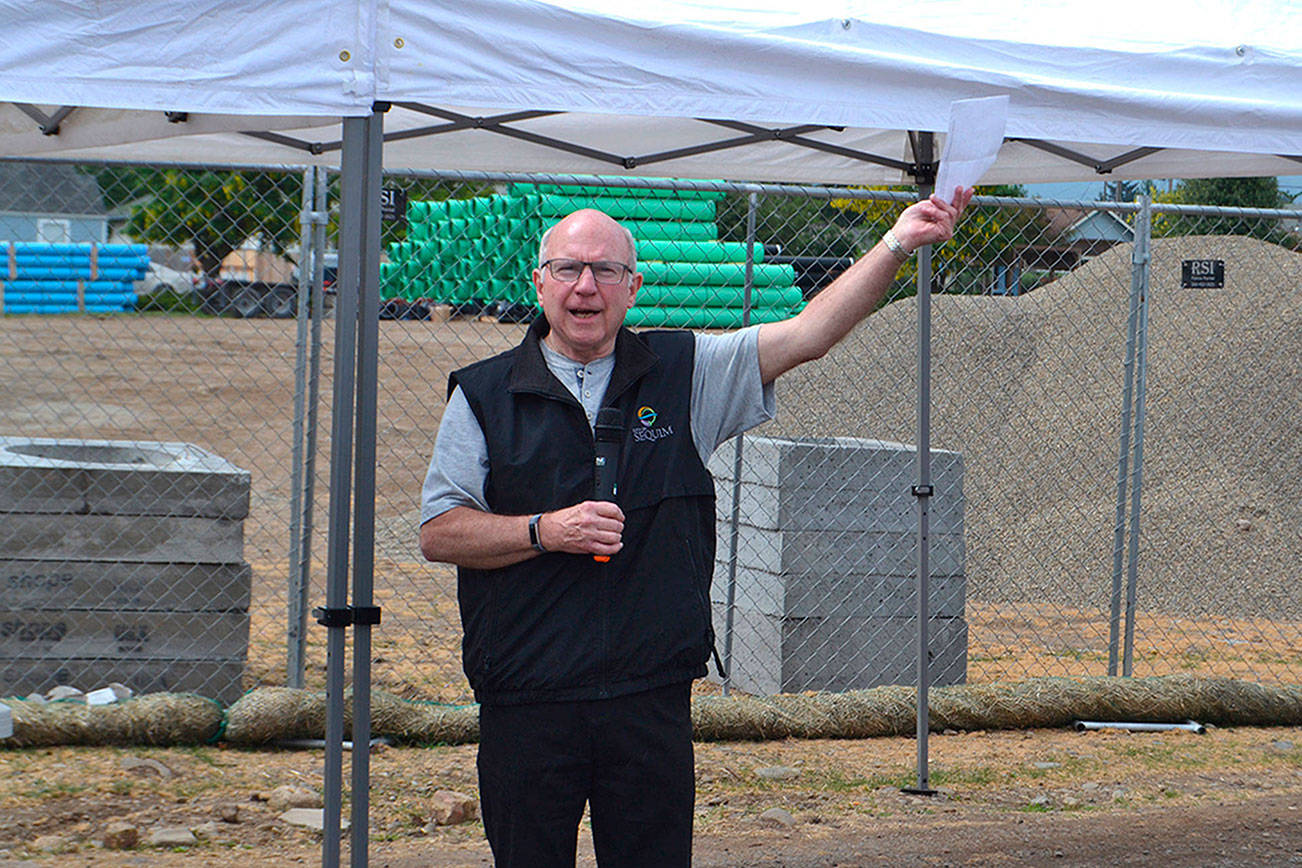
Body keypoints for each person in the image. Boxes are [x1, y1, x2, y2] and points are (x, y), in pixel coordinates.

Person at [419, 187, 972, 868]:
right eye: (567, 269)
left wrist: (897, 241)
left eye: (606, 271)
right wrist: (544, 531)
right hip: (528, 703)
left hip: (646, 703)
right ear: (539, 281)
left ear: (633, 287)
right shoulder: (482, 394)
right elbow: (440, 531)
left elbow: (810, 334)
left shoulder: (685, 374)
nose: (586, 286)